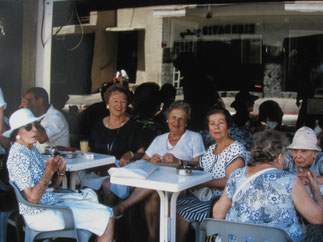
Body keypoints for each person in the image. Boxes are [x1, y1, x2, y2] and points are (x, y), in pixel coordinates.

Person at [4, 108, 114, 242]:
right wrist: (49, 171)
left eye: (36, 125)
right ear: (17, 133)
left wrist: (60, 173)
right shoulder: (18, 156)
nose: (34, 130)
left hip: (50, 202)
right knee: (107, 217)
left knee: (102, 208)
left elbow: (49, 187)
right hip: (41, 212)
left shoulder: (31, 150)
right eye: (28, 127)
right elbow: (33, 198)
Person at [113, 100, 205, 242]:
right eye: (173, 118)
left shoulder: (194, 138)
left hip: (180, 187)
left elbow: (199, 165)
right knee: (154, 196)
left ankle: (124, 206)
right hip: (156, 187)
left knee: (155, 191)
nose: (177, 122)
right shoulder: (159, 139)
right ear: (167, 120)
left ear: (186, 122)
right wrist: (151, 160)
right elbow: (142, 161)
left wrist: (179, 162)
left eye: (181, 119)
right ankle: (153, 237)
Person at [212, 129, 323, 241]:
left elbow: (218, 214)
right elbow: (317, 218)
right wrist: (315, 189)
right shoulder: (290, 180)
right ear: (279, 158)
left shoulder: (237, 175)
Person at [176, 106, 249, 242]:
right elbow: (200, 167)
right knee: (171, 205)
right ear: (208, 128)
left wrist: (201, 182)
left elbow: (230, 181)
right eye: (212, 124)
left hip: (222, 202)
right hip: (204, 196)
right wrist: (180, 163)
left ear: (228, 126)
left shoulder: (235, 150)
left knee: (181, 212)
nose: (216, 127)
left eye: (221, 123)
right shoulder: (212, 149)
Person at [83, 83, 148, 205]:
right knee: (87, 188)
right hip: (98, 169)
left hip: (121, 170)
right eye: (115, 101)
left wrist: (130, 154)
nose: (119, 105)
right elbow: (89, 148)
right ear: (108, 104)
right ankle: (97, 220)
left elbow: (142, 153)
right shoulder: (97, 125)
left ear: (127, 104)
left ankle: (112, 218)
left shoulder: (133, 126)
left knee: (108, 185)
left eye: (123, 101)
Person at [284, 126, 323, 241]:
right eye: (295, 150)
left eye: (304, 151)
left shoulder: (320, 160)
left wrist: (312, 178)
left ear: (314, 153)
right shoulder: (288, 158)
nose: (298, 155)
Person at [173, 52, 222, 132]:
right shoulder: (194, 79)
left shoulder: (194, 80)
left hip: (201, 116)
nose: (181, 73)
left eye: (182, 69)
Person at [20, 87, 69, 153]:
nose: (25, 105)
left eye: (28, 101)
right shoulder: (35, 118)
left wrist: (29, 115)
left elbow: (42, 138)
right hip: (41, 161)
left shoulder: (56, 117)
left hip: (58, 161)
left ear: (40, 101)